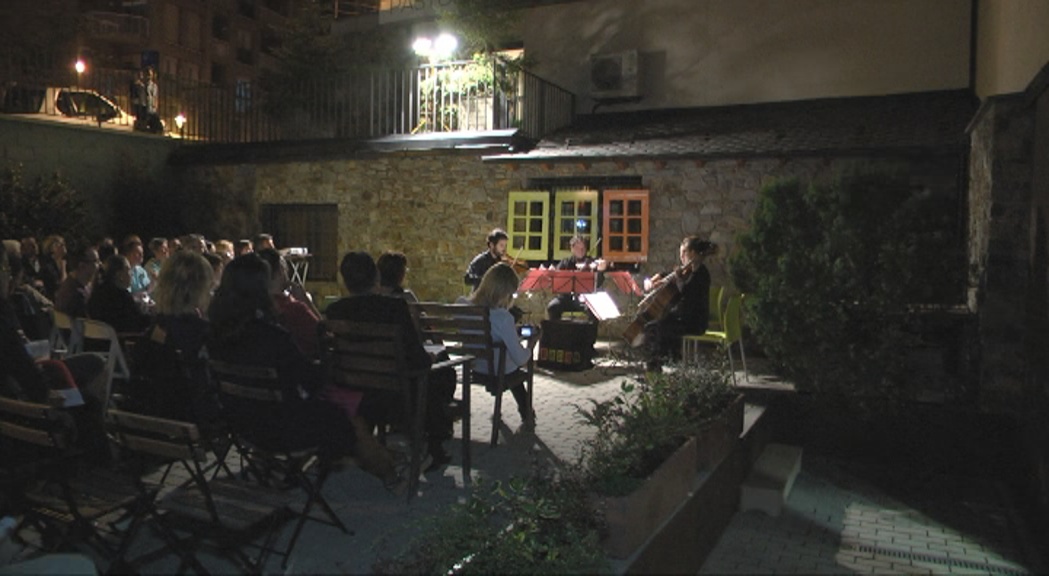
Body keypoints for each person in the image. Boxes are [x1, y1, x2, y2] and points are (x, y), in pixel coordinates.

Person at [208, 254, 398, 487]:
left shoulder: (215, 336)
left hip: (243, 426)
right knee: (349, 415)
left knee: (347, 409)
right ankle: (387, 469)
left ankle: (381, 463)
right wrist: (325, 365)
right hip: (285, 429)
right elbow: (312, 382)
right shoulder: (272, 337)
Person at [325, 252, 457, 469]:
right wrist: (430, 357)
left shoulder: (335, 310)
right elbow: (416, 359)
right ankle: (435, 444)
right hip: (396, 396)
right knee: (439, 373)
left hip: (356, 391)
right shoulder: (394, 308)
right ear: (375, 277)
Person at [129, 250, 217, 425]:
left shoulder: (154, 330)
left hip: (159, 419)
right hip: (195, 418)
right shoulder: (202, 334)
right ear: (198, 289)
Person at [466, 263, 540, 421]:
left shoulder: (463, 306)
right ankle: (527, 414)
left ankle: (526, 413)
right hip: (495, 372)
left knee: (508, 363)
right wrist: (531, 345)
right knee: (513, 369)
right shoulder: (503, 317)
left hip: (472, 367)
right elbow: (520, 359)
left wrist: (512, 334)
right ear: (504, 293)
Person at [642, 236, 716, 372]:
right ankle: (665, 361)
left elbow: (687, 291)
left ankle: (656, 367)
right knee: (654, 325)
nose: (681, 257)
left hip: (694, 322)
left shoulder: (701, 273)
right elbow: (675, 282)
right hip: (683, 319)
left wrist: (679, 278)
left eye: (684, 253)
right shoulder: (690, 271)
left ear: (693, 253)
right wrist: (660, 280)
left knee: (654, 328)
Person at [258, 248, 320, 358]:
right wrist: (306, 302)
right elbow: (324, 334)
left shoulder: (252, 307)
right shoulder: (295, 309)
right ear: (280, 270)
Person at [546, 235, 608, 321]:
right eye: (578, 248)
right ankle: (558, 332)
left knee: (594, 310)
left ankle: (589, 333)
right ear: (572, 249)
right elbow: (556, 279)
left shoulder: (591, 263)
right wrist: (551, 273)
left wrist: (600, 271)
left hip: (585, 299)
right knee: (552, 307)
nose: (581, 251)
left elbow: (599, 283)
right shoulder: (565, 263)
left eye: (583, 248)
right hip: (566, 298)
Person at [86, 254, 151, 334]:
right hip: (121, 342)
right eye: (128, 270)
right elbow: (140, 322)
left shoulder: (96, 293)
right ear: (119, 275)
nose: (131, 274)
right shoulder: (122, 297)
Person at [54, 246, 100, 318]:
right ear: (82, 265)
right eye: (95, 261)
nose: (99, 264)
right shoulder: (76, 295)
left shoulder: (72, 285)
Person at [37, 235, 67, 301]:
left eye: (63, 243)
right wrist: (63, 269)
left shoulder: (66, 262)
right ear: (51, 248)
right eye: (59, 244)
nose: (63, 246)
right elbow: (61, 286)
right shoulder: (47, 266)